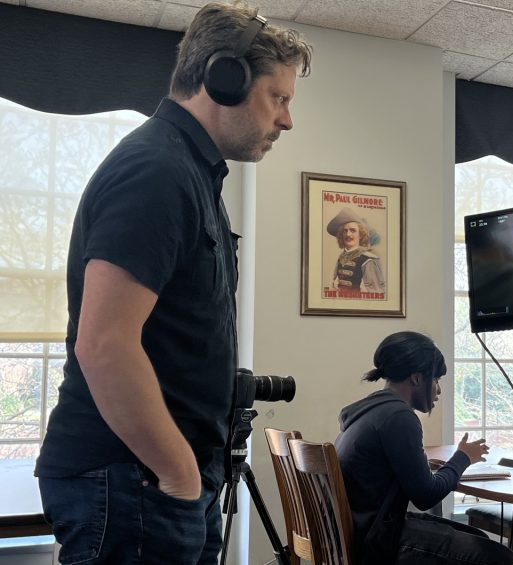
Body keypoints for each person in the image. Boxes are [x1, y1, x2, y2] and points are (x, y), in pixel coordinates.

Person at [34, 4, 312, 563]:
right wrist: (180, 473)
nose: (287, 120)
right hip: (137, 483)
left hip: (156, 482)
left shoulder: (189, 171)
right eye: (277, 98)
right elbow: (104, 344)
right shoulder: (156, 172)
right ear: (223, 80)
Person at [335, 331, 513, 565]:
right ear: (416, 378)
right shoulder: (399, 416)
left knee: (478, 538)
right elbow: (426, 496)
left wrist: (422, 465)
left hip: (364, 528)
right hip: (379, 540)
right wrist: (463, 457)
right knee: (500, 557)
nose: (438, 390)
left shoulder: (370, 411)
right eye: (436, 380)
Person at [326, 207, 385, 295]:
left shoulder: (368, 260)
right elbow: (334, 286)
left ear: (360, 234)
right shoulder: (340, 258)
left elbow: (376, 293)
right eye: (345, 231)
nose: (348, 234)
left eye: (352, 230)